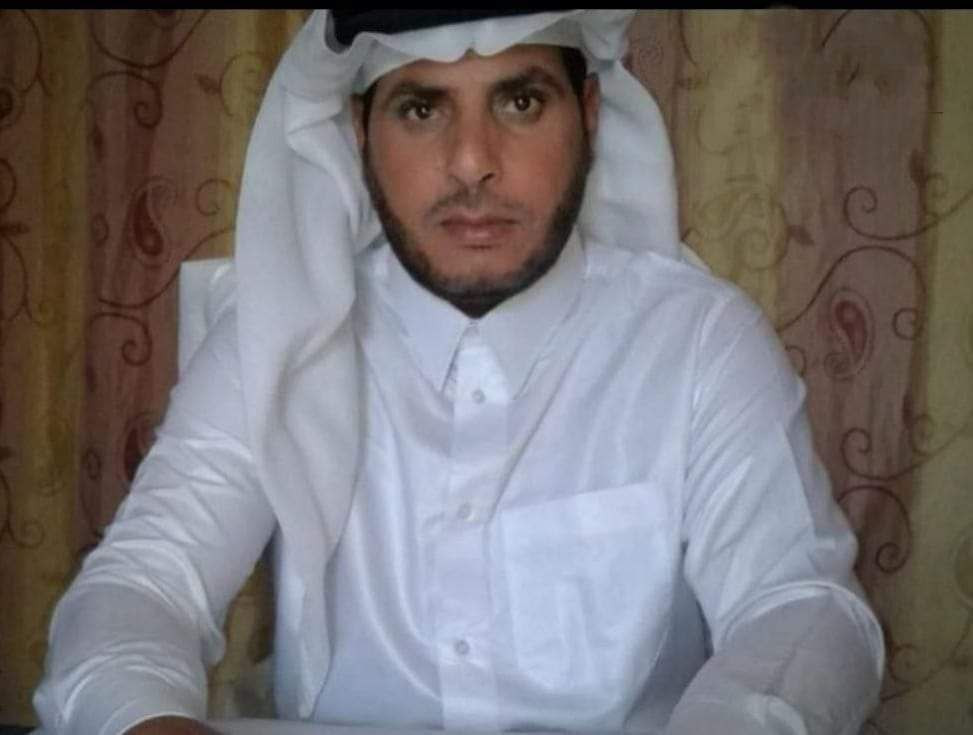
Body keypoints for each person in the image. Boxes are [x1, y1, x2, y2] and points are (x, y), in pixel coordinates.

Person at [34, 10, 885, 735]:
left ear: (589, 116)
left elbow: (801, 604)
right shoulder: (282, 334)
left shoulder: (697, 340)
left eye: (520, 101)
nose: (472, 160)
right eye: (420, 108)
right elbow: (145, 583)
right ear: (359, 132)